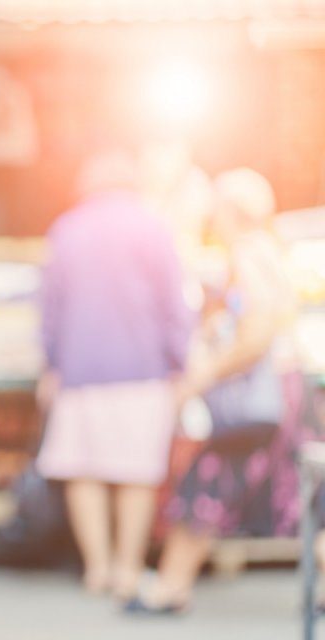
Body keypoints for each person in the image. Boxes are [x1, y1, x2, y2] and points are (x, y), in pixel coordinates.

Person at [127, 168, 302, 615]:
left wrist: (203, 376)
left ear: (229, 211)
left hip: (256, 397)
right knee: (300, 495)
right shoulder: (270, 250)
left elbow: (255, 331)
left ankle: (170, 587)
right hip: (282, 392)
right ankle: (171, 585)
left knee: (204, 482)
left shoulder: (249, 254)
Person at [35, 150, 192, 600]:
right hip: (141, 368)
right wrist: (179, 361)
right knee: (136, 472)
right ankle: (127, 568)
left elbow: (49, 307)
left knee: (83, 470)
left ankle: (97, 568)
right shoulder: (152, 227)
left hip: (79, 367)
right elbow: (173, 304)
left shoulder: (67, 229)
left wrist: (51, 363)